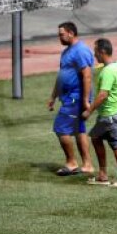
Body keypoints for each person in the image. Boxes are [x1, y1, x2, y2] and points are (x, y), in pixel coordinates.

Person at [82, 38, 117, 188]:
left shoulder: (107, 72)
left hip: (110, 116)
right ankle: (103, 175)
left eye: (96, 52)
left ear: (102, 52)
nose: (94, 55)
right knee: (96, 137)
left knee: (116, 145)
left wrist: (89, 111)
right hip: (114, 114)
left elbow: (103, 95)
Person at [46, 22, 95, 177]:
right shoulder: (66, 52)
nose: (59, 37)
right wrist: (53, 96)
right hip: (69, 97)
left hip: (76, 97)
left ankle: (71, 163)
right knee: (79, 130)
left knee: (60, 128)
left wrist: (85, 100)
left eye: (61, 34)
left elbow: (87, 75)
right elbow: (62, 76)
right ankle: (87, 165)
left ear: (71, 33)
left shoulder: (80, 51)